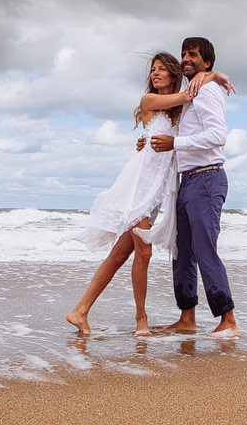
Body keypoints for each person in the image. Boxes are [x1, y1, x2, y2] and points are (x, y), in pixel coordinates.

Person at [66, 52, 195, 337]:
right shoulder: (149, 101)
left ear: (173, 75)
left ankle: (80, 311)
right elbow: (187, 96)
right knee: (144, 252)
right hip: (137, 188)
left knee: (120, 254)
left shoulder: (177, 113)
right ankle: (141, 320)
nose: (156, 73)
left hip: (155, 193)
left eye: (162, 69)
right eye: (153, 70)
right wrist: (216, 76)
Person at [144, 36, 239, 338]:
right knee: (181, 250)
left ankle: (228, 319)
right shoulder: (192, 91)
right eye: (184, 53)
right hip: (187, 181)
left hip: (208, 178)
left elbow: (217, 136)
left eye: (193, 55)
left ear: (206, 62)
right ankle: (187, 317)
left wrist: (177, 143)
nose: (186, 58)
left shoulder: (207, 91)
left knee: (204, 247)